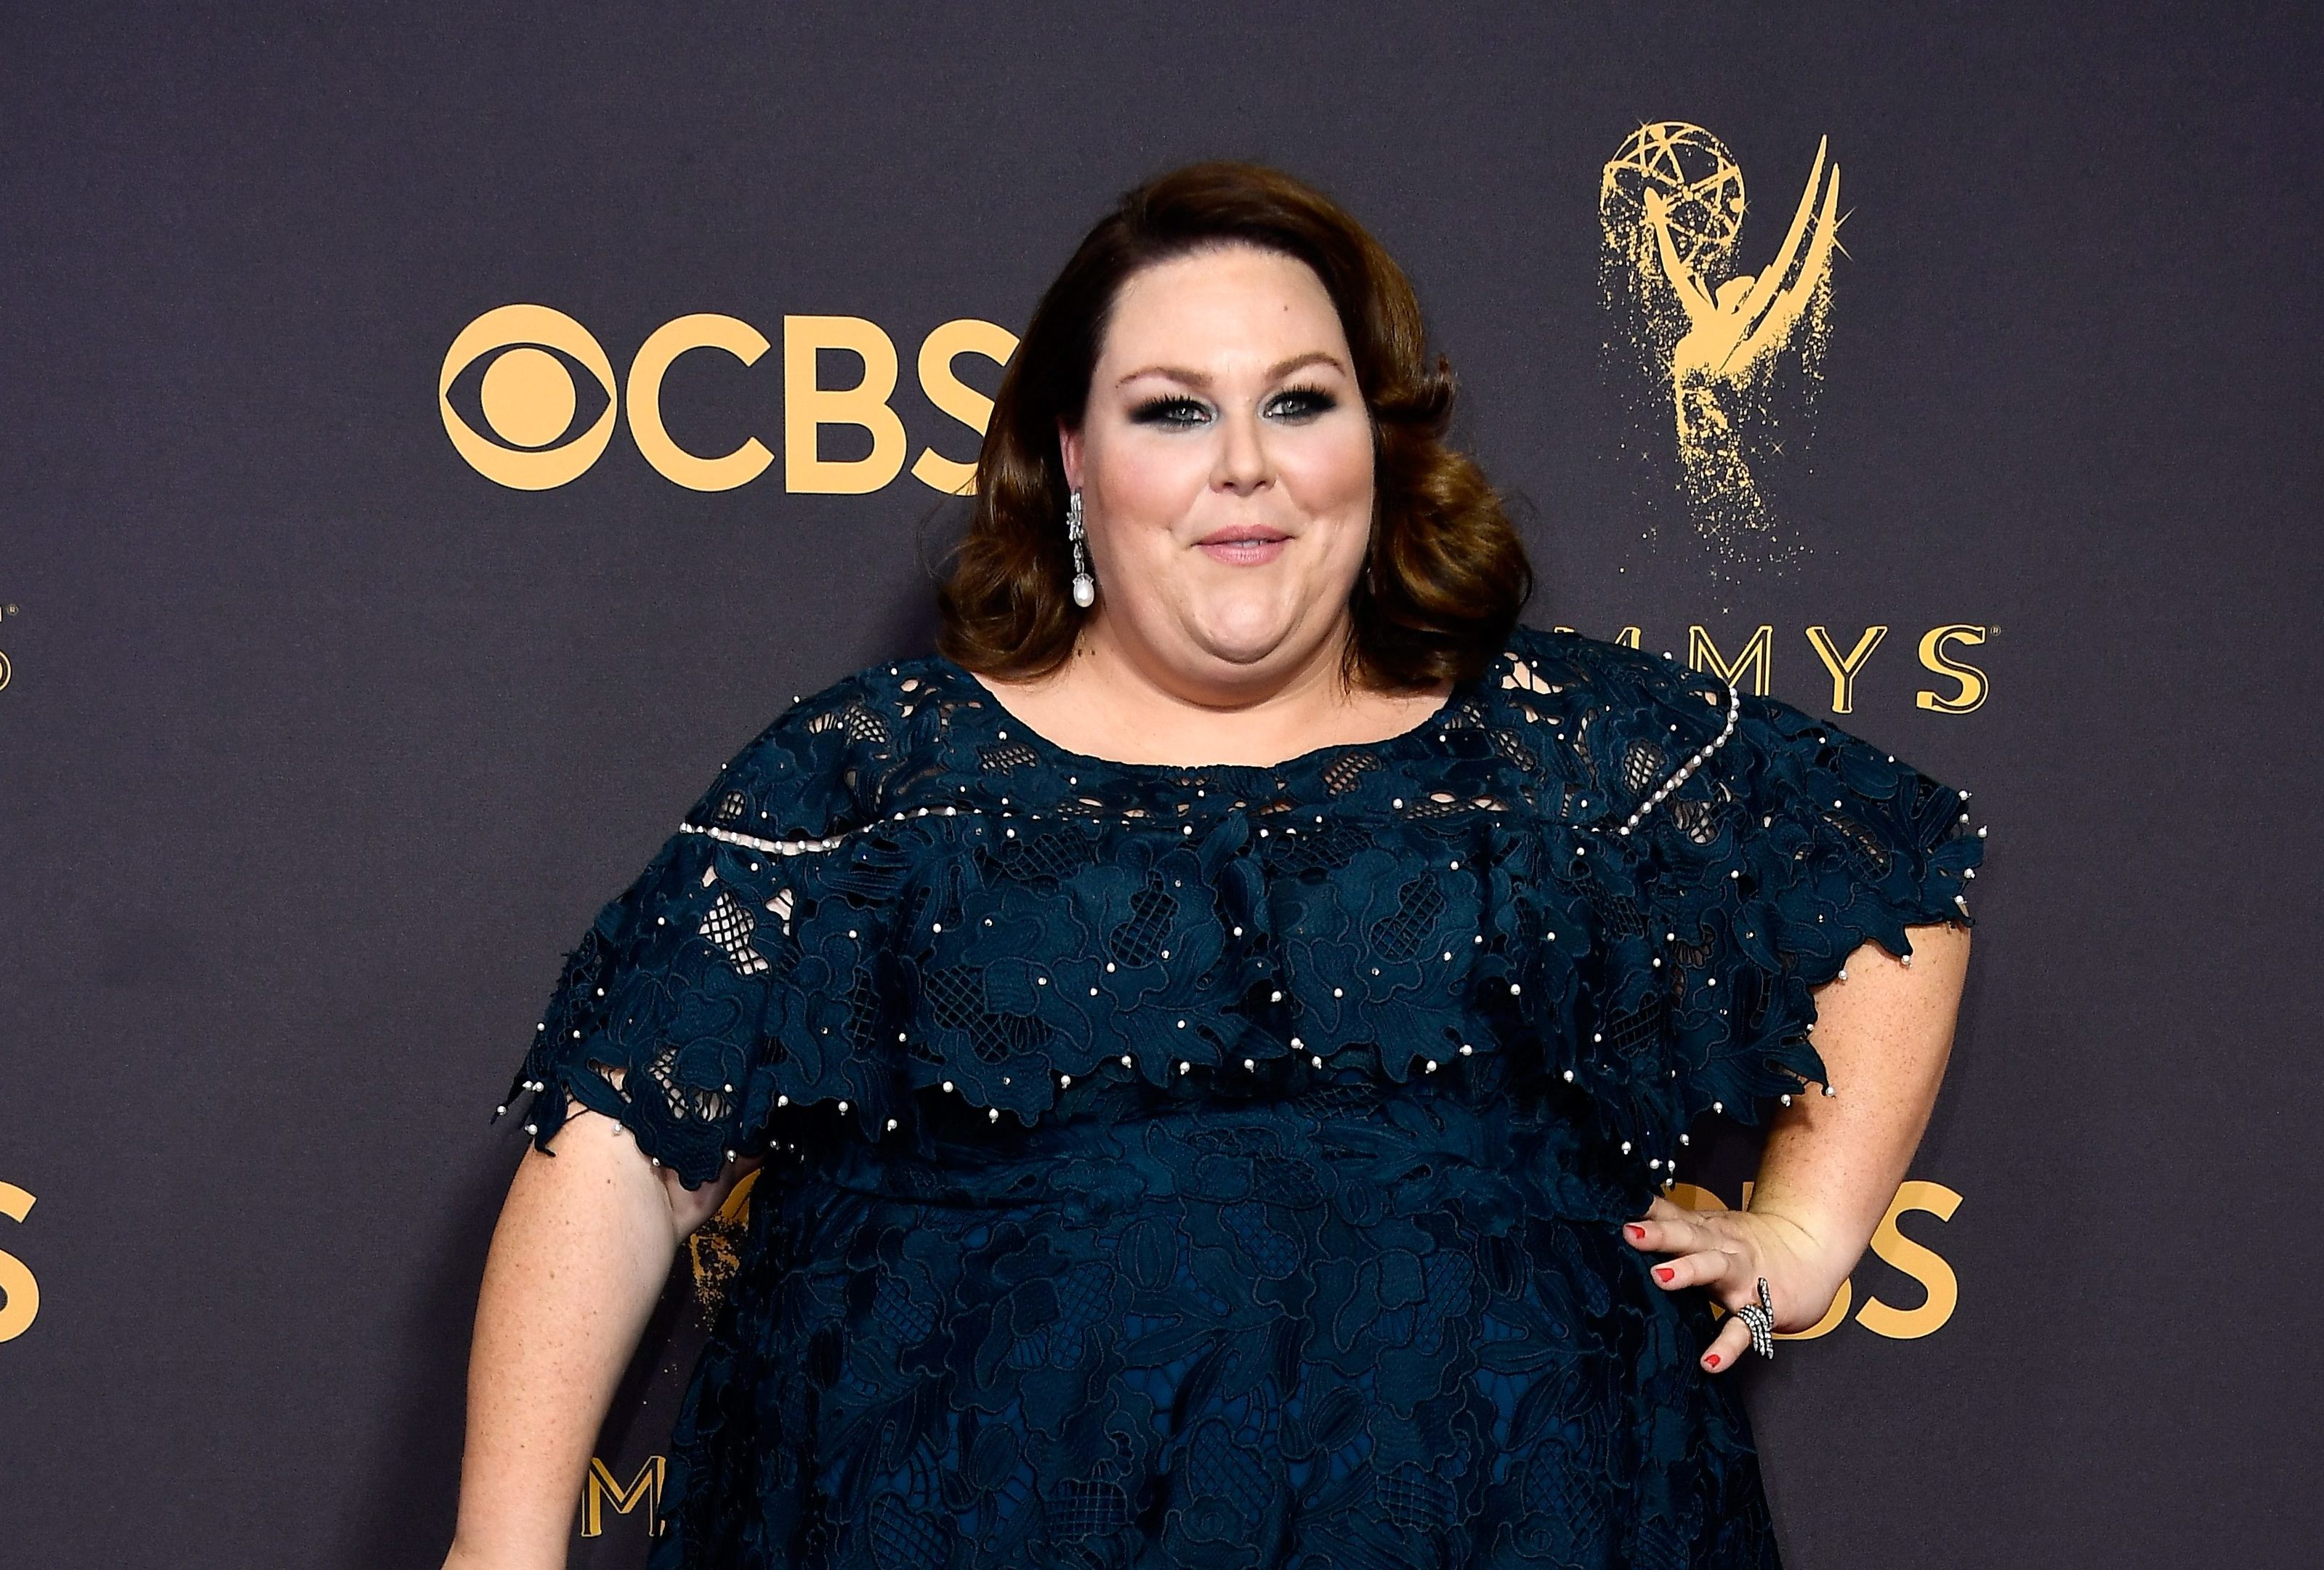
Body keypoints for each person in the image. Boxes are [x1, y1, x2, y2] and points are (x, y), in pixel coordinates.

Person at [443, 161, 1980, 1570]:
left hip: (1518, 1521)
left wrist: (1808, 1236)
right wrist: (500, 1551)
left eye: (1299, 403)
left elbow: (1884, 872)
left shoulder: (1557, 746)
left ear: (1373, 446)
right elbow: (621, 1150)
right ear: (1070, 456)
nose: (1244, 465)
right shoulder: (879, 774)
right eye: (1173, 410)